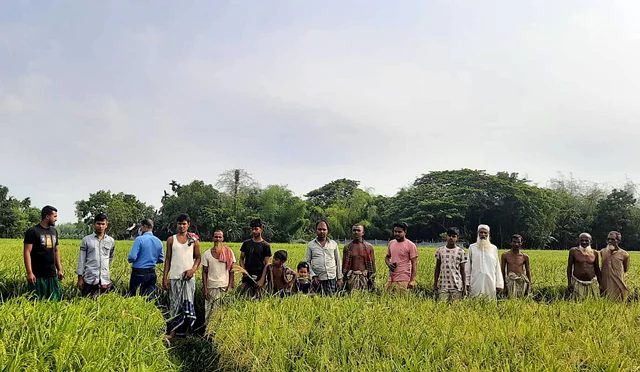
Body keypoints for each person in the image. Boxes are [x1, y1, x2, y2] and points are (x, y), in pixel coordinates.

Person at [163, 213, 201, 339]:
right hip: (175, 276)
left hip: (189, 278)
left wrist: (192, 270)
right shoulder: (171, 240)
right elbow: (168, 259)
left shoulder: (193, 240)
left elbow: (198, 258)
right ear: (176, 225)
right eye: (179, 224)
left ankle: (188, 331)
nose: (181, 226)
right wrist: (165, 277)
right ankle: (172, 331)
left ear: (188, 225)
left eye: (184, 224)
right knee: (174, 304)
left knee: (189, 303)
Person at [23, 205, 63, 301]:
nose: (56, 219)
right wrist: (29, 272)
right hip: (37, 275)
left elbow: (56, 251)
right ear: (47, 217)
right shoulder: (32, 231)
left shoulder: (54, 231)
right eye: (55, 216)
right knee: (36, 301)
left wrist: (60, 269)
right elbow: (27, 252)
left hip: (52, 273)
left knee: (54, 301)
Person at [75, 213, 116, 297]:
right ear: (94, 224)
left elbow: (110, 256)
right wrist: (80, 278)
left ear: (106, 225)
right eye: (98, 224)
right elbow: (81, 259)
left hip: (105, 279)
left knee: (104, 305)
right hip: (89, 279)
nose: (100, 226)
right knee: (86, 303)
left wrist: (105, 267)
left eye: (103, 224)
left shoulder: (110, 241)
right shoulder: (86, 240)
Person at [202, 230, 235, 322]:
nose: (218, 239)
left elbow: (232, 271)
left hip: (224, 286)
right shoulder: (207, 254)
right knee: (209, 311)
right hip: (211, 286)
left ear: (223, 238)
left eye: (220, 237)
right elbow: (204, 272)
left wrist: (230, 286)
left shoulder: (229, 252)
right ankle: (209, 331)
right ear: (213, 238)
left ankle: (219, 333)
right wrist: (205, 289)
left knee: (222, 311)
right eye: (216, 237)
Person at [127, 218, 164, 297]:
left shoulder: (139, 239)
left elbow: (132, 257)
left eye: (141, 227)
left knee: (135, 297)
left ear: (145, 226)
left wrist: (133, 260)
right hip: (152, 272)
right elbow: (161, 259)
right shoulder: (158, 241)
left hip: (138, 272)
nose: (140, 229)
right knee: (150, 297)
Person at [465, 224, 503, 300]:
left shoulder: (494, 248)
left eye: (485, 233)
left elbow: (497, 267)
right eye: (481, 232)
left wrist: (499, 284)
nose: (483, 235)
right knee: (474, 302)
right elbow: (468, 266)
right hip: (475, 281)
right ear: (478, 234)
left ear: (488, 234)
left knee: (490, 303)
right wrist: (467, 283)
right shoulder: (472, 247)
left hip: (490, 282)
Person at [306, 220, 343, 296]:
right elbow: (307, 262)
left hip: (331, 278)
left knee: (332, 300)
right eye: (319, 229)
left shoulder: (333, 244)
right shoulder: (311, 245)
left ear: (327, 231)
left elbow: (338, 261)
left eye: (324, 229)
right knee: (316, 300)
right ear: (316, 230)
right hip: (317, 279)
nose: (322, 231)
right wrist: (313, 276)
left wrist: (339, 278)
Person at [239, 218, 272, 298]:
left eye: (256, 229)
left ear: (261, 229)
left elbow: (267, 264)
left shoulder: (266, 246)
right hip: (247, 275)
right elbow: (241, 259)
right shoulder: (246, 243)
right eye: (252, 229)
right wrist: (244, 271)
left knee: (258, 297)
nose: (254, 231)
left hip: (260, 275)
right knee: (243, 296)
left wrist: (262, 279)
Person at [433, 227, 467, 302]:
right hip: (443, 286)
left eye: (454, 236)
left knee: (455, 309)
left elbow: (463, 271)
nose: (451, 238)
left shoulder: (461, 252)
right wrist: (435, 283)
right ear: (446, 237)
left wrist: (464, 287)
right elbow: (437, 268)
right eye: (449, 236)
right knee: (442, 308)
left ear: (457, 238)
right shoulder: (440, 250)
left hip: (457, 286)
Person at [342, 224, 376, 292]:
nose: (356, 232)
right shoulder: (347, 247)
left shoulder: (369, 247)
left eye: (358, 230)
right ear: (352, 232)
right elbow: (344, 265)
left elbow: (373, 265)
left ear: (363, 233)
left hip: (364, 277)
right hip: (352, 277)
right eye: (354, 230)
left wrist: (372, 279)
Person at [385, 222, 418, 292]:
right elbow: (387, 257)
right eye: (395, 231)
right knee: (386, 299)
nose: (397, 233)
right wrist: (389, 264)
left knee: (401, 301)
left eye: (399, 232)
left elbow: (414, 264)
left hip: (404, 279)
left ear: (405, 232)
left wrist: (412, 280)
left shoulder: (410, 245)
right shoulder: (391, 243)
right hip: (391, 278)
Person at [566, 232, 600, 299]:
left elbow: (597, 269)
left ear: (590, 241)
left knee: (592, 303)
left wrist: (600, 284)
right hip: (577, 282)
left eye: (586, 240)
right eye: (582, 240)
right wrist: (569, 282)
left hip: (591, 283)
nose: (584, 242)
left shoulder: (595, 253)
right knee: (577, 302)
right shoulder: (573, 251)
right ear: (579, 241)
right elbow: (569, 267)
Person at [600, 231, 630, 301]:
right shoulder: (603, 252)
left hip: (618, 285)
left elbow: (625, 269)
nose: (609, 241)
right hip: (605, 285)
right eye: (608, 239)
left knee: (618, 303)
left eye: (612, 239)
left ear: (618, 241)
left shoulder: (624, 255)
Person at [501, 234, 531, 298]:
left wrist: (528, 287)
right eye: (514, 242)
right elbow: (502, 271)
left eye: (518, 242)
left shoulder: (525, 257)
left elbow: (528, 272)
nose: (516, 244)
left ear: (521, 243)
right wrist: (504, 285)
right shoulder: (505, 255)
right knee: (510, 300)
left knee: (521, 300)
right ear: (511, 243)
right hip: (510, 281)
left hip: (521, 281)